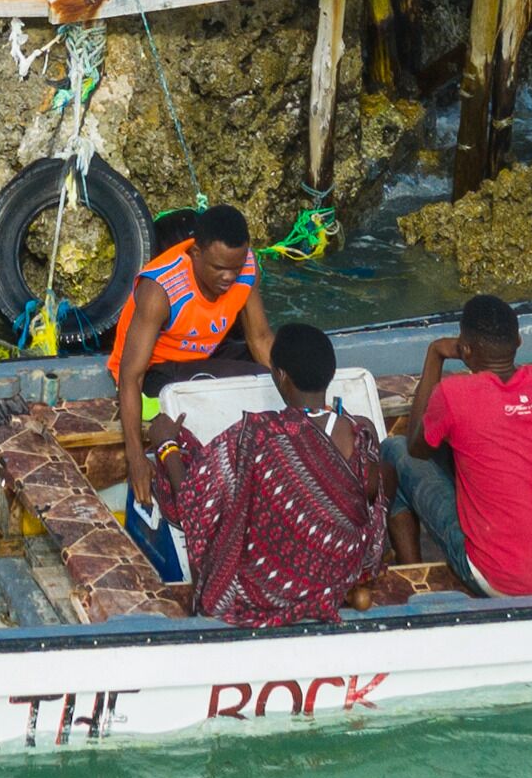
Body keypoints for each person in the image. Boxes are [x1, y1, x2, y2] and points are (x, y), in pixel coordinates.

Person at [139, 320, 391, 628]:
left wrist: (166, 445)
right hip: (341, 573)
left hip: (269, 590)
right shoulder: (361, 431)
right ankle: (327, 593)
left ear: (280, 375)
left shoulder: (258, 438)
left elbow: (194, 502)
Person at [385, 294, 532, 597]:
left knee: (394, 451)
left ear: (465, 349)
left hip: (498, 578)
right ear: (519, 341)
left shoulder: (454, 393)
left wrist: (434, 355)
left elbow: (416, 447)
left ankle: (414, 586)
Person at [113, 203, 275, 576]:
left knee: (257, 385)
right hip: (157, 368)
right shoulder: (161, 288)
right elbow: (130, 376)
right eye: (219, 268)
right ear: (195, 252)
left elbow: (261, 337)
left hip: (204, 355)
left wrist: (300, 401)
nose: (228, 277)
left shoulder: (245, 268)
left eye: (235, 268)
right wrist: (136, 457)